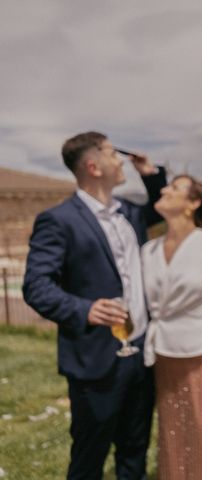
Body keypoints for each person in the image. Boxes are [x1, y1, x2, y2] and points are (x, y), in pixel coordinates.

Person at [22, 131, 167, 479]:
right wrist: (84, 309)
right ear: (93, 165)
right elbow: (36, 285)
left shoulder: (130, 214)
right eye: (112, 154)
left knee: (134, 452)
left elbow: (163, 204)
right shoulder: (58, 220)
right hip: (95, 360)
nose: (120, 161)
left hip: (141, 354)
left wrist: (150, 174)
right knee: (89, 456)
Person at [141, 174, 202, 479]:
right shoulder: (148, 251)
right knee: (173, 436)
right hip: (163, 355)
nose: (165, 189)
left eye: (174, 187)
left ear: (193, 204)